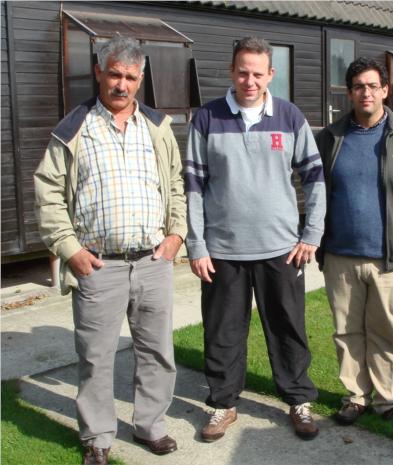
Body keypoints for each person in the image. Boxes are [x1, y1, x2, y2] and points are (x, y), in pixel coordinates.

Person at [34, 36, 186, 465]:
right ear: (99, 72)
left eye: (131, 77)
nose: (122, 84)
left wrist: (176, 235)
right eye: (115, 74)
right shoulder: (73, 129)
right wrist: (69, 249)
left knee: (157, 352)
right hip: (98, 266)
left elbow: (176, 184)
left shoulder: (157, 127)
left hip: (153, 261)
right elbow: (47, 193)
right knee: (96, 357)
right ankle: (98, 437)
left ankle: (151, 425)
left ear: (141, 79)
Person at [184, 36, 326, 442]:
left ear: (271, 75)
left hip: (281, 249)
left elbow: (315, 177)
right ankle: (223, 403)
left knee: (287, 329)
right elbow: (192, 186)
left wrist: (312, 233)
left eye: (258, 74)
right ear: (232, 71)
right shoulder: (207, 118)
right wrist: (197, 244)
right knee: (222, 332)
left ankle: (298, 400)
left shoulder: (290, 117)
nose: (250, 81)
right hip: (222, 251)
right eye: (243, 72)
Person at [315, 57, 393, 430]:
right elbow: (316, 192)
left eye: (372, 86)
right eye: (358, 87)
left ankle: (387, 401)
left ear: (384, 90)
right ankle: (355, 397)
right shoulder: (330, 138)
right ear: (349, 92)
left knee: (386, 332)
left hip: (389, 260)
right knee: (346, 332)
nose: (365, 93)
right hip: (340, 256)